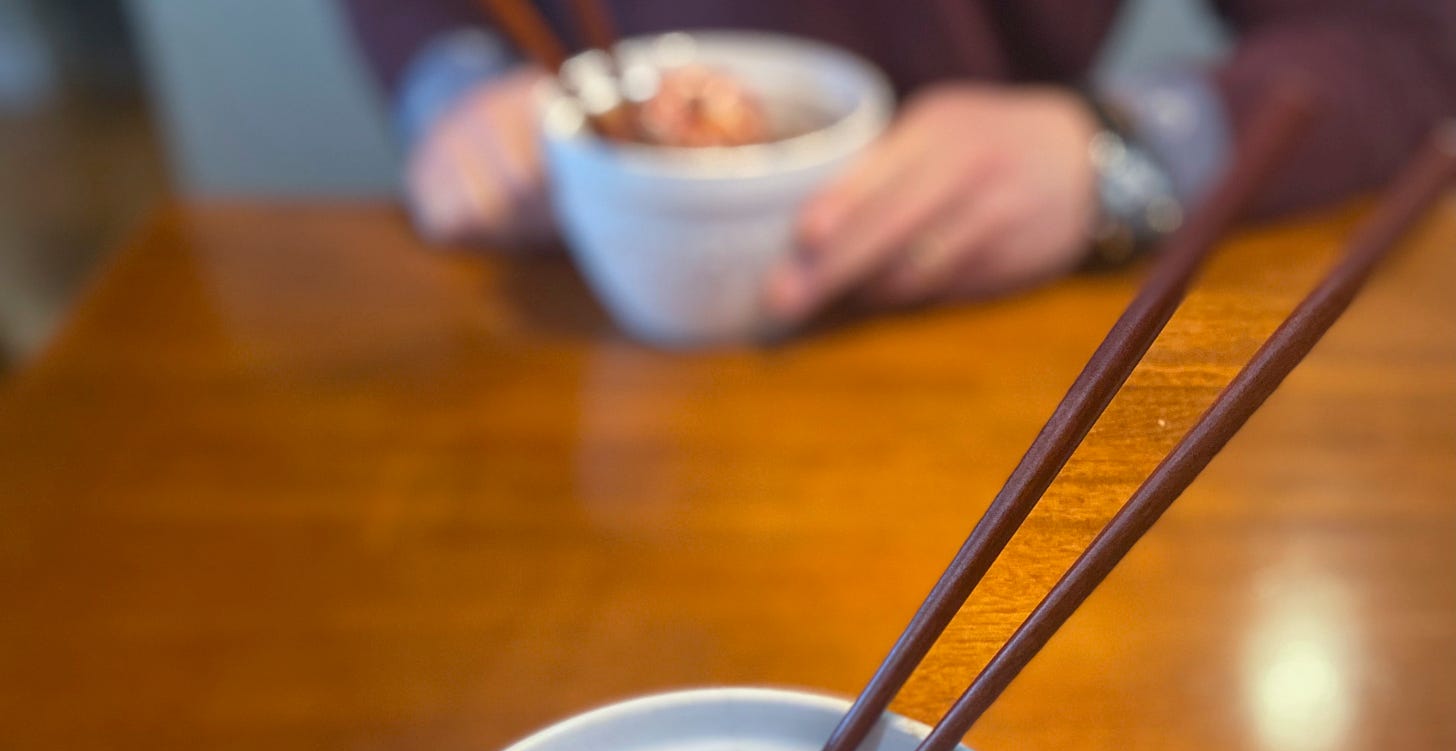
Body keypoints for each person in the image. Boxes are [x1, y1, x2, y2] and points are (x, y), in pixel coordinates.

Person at [341, 1, 1456, 322]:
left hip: (990, 325)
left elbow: (1404, 38)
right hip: (554, 314)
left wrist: (1110, 152)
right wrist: (455, 82)